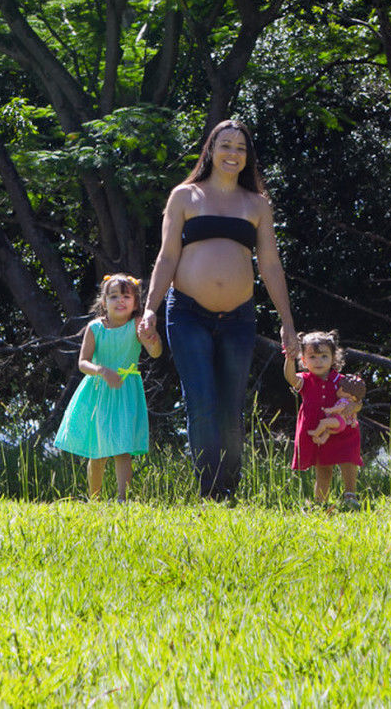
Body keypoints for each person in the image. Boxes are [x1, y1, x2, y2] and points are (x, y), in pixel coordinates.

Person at [139, 119, 298, 501]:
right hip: (188, 313)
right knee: (202, 403)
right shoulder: (184, 196)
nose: (233, 154)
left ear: (248, 157)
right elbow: (167, 255)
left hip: (239, 317)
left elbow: (271, 265)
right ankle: (211, 491)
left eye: (241, 148)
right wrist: (149, 309)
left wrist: (288, 324)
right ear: (211, 150)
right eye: (226, 145)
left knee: (230, 407)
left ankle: (229, 489)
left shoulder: (257, 204)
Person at [54, 274, 163, 501]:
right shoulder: (95, 328)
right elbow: (83, 363)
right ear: (104, 302)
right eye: (113, 296)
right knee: (99, 450)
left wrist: (152, 339)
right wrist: (102, 371)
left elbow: (155, 352)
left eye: (126, 296)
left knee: (123, 448)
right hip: (100, 392)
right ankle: (95, 499)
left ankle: (123, 499)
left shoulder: (136, 325)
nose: (120, 301)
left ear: (135, 303)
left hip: (125, 390)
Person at [284, 330, 364, 510]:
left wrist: (355, 407)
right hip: (318, 429)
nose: (318, 361)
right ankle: (320, 502)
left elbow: (357, 400)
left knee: (349, 460)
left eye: (323, 356)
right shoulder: (305, 380)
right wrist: (289, 359)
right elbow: (290, 378)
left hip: (345, 428)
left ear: (333, 358)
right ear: (303, 360)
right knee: (323, 466)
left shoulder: (342, 381)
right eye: (312, 357)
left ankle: (350, 495)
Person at [308, 374, 366, 446]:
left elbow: (340, 407)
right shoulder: (349, 401)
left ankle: (316, 432)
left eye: (340, 389)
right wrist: (353, 421)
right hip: (342, 424)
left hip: (339, 420)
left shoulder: (344, 400)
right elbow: (354, 414)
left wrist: (331, 410)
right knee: (327, 431)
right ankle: (322, 440)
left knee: (324, 423)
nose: (338, 390)